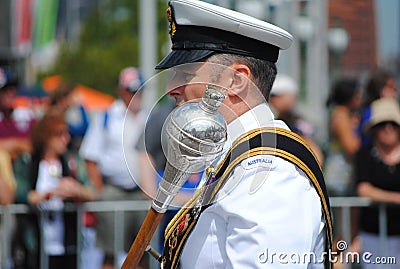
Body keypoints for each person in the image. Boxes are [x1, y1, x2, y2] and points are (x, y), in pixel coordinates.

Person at [149, 1, 333, 268]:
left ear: (235, 81)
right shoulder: (239, 156)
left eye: (186, 73)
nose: (171, 88)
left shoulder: (269, 172)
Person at [79, 66, 148, 268]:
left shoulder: (147, 116)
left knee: (141, 252)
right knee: (109, 251)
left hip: (140, 193)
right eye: (131, 91)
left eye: (139, 90)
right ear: (121, 91)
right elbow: (90, 156)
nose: (135, 96)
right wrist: (100, 191)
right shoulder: (107, 116)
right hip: (113, 191)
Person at [12, 111, 96, 269]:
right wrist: (51, 194)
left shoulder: (72, 162)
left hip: (68, 242)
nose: (66, 138)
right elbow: (21, 194)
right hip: (36, 243)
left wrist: (75, 189)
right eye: (59, 134)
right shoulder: (28, 162)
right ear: (45, 136)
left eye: (66, 133)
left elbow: (92, 192)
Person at [355, 98, 400, 269]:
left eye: (393, 124)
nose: (388, 129)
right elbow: (363, 189)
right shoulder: (365, 155)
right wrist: (395, 198)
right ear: (374, 129)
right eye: (383, 125)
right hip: (373, 233)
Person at [270, 73, 324, 164]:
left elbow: (316, 156)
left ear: (291, 96)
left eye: (277, 95)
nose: (273, 99)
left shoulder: (297, 122)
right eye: (272, 96)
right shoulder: (273, 118)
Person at [324, 78, 361, 196]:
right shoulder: (341, 115)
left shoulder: (342, 114)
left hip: (341, 173)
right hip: (339, 174)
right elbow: (351, 147)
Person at [358, 69, 398, 147]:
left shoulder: (395, 109)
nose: (394, 93)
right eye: (390, 88)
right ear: (378, 89)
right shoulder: (370, 112)